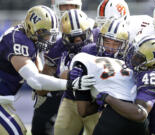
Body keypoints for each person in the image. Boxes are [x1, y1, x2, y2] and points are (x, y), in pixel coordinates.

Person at [0, 5, 95, 135]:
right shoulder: (18, 40)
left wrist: (43, 88)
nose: (47, 39)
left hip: (5, 99)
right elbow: (35, 80)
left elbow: (38, 76)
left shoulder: (28, 37)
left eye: (50, 35)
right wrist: (69, 84)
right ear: (30, 27)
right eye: (43, 34)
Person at [68, 18, 148, 135]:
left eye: (116, 43)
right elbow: (83, 110)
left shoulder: (133, 55)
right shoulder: (89, 51)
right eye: (107, 42)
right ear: (100, 40)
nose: (110, 48)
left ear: (125, 44)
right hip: (129, 110)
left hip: (128, 107)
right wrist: (71, 75)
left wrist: (107, 99)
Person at [105, 35, 155, 135]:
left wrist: (107, 98)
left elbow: (139, 113)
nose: (133, 57)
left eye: (139, 56)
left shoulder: (153, 78)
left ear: (153, 61)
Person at [31, 1, 84, 135]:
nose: (68, 9)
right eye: (64, 6)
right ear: (55, 6)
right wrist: (38, 77)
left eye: (72, 6)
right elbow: (34, 55)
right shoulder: (44, 24)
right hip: (51, 87)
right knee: (39, 128)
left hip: (78, 89)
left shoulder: (85, 24)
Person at [44, 9, 99, 135]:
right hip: (71, 98)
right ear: (64, 37)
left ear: (89, 32)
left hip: (96, 100)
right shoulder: (58, 47)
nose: (79, 41)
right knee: (62, 131)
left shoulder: (100, 38)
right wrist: (68, 74)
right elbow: (59, 75)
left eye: (82, 36)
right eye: (73, 38)